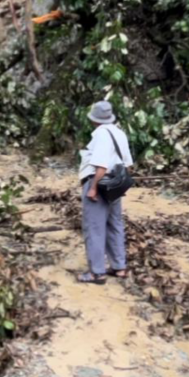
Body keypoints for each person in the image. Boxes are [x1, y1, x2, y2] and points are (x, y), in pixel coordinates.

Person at [76, 101, 133, 285]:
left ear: (94, 119)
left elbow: (101, 165)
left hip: (100, 183)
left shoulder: (101, 134)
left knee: (94, 227)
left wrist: (93, 187)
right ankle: (119, 267)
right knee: (114, 224)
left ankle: (96, 273)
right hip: (115, 184)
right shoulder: (119, 132)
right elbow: (128, 164)